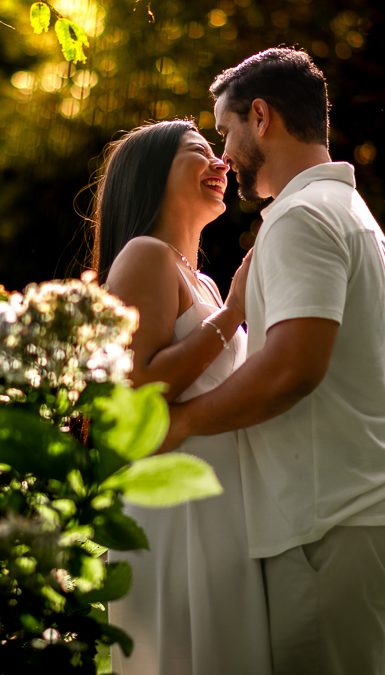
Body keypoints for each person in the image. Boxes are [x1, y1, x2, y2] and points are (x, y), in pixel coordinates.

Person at [161, 48, 385, 675]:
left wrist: (181, 423)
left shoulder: (300, 218)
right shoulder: (347, 214)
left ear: (261, 116)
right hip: (365, 514)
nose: (222, 154)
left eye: (225, 130)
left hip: (333, 520)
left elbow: (293, 368)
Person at [92, 119, 272, 675]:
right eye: (197, 151)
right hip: (170, 511)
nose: (220, 163)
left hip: (220, 507)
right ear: (153, 175)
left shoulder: (207, 283)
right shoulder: (144, 256)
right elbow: (138, 385)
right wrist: (234, 314)